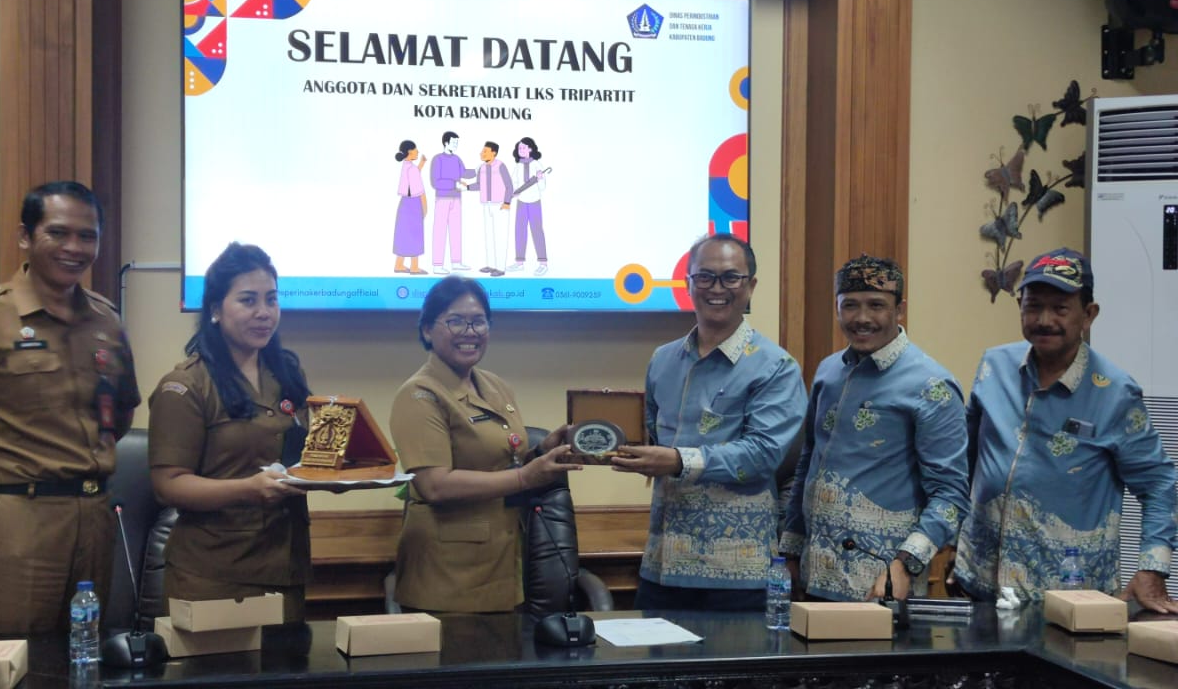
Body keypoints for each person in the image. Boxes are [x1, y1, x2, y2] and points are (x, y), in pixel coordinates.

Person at [0, 181, 140, 634]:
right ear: (25, 236)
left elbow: (118, 415)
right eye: (57, 233)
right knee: (12, 656)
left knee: (85, 655)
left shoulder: (107, 320)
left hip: (94, 518)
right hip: (19, 520)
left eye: (87, 236)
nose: (74, 247)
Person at [951, 248, 1178, 612]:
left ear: (1089, 314)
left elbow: (1160, 484)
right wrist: (951, 539)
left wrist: (1153, 568)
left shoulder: (1115, 393)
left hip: (1073, 600)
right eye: (1033, 306)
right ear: (1020, 307)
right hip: (979, 587)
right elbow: (965, 460)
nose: (1045, 320)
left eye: (1060, 308)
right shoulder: (994, 365)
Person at [611, 233, 807, 611]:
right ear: (688, 284)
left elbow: (763, 454)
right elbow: (651, 435)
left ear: (751, 286)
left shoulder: (776, 367)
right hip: (662, 566)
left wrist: (678, 460)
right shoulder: (662, 360)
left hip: (736, 573)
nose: (717, 288)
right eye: (705, 277)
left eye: (731, 277)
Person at [781, 256, 970, 602]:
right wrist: (790, 552)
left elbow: (951, 495)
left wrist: (905, 565)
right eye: (850, 305)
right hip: (812, 579)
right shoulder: (827, 372)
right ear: (837, 308)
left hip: (882, 586)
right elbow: (808, 462)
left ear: (900, 310)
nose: (862, 318)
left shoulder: (932, 385)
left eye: (876, 305)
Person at [388, 275, 579, 612]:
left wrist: (543, 451)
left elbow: (503, 462)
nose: (470, 332)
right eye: (456, 321)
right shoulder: (419, 394)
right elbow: (435, 485)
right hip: (447, 575)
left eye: (479, 322)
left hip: (502, 563)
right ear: (427, 330)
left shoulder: (496, 387)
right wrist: (525, 477)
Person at [149, 242, 313, 622]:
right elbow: (167, 484)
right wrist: (248, 488)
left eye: (271, 299)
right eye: (248, 300)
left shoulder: (287, 373)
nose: (264, 312)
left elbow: (301, 456)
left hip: (286, 566)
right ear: (215, 310)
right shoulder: (186, 385)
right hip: (214, 575)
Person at [429, 131, 475, 275]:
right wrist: (454, 184)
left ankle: (456, 262)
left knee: (456, 231)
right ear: (446, 143)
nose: (456, 145)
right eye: (454, 142)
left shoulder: (457, 159)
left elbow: (464, 173)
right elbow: (435, 182)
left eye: (457, 142)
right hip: (442, 199)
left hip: (457, 199)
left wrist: (478, 170)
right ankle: (437, 265)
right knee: (440, 231)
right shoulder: (437, 159)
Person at [465, 141, 514, 277]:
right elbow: (479, 185)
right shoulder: (482, 168)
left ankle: (500, 268)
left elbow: (509, 186)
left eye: (485, 151)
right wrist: (466, 187)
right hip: (486, 205)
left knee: (500, 236)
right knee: (489, 236)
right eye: (482, 151)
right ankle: (491, 265)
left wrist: (507, 202)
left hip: (500, 205)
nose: (481, 153)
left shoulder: (501, 166)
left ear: (494, 153)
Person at [506, 137, 551, 277]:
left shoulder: (537, 164)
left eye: (524, 147)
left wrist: (540, 178)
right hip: (521, 202)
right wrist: (514, 192)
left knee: (537, 231)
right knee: (519, 231)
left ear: (530, 149)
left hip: (534, 202)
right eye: (519, 148)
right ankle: (519, 263)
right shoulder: (518, 166)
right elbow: (513, 182)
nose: (521, 150)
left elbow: (542, 188)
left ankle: (543, 264)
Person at [392, 139, 429, 275]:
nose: (417, 151)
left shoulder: (406, 165)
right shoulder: (412, 169)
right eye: (415, 149)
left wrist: (421, 164)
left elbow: (414, 176)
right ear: (409, 151)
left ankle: (399, 264)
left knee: (403, 234)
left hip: (404, 204)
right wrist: (425, 208)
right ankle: (414, 267)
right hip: (414, 204)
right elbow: (420, 191)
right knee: (414, 235)